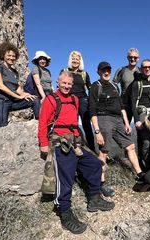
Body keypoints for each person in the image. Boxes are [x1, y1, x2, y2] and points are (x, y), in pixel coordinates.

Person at [38, 71, 114, 235]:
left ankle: (94, 198)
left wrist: (79, 140)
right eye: (63, 83)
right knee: (66, 176)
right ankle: (64, 212)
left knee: (93, 163)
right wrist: (43, 144)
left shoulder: (75, 99)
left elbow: (74, 123)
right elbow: (43, 122)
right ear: (58, 83)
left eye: (69, 84)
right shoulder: (51, 99)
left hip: (74, 140)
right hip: (60, 141)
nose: (66, 86)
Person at [89, 61, 144, 197]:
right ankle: (102, 183)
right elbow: (92, 110)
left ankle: (140, 174)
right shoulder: (96, 86)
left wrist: (126, 122)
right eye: (103, 70)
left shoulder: (114, 85)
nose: (106, 72)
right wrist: (97, 131)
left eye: (108, 70)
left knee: (130, 146)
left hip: (118, 119)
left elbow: (121, 106)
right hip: (103, 119)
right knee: (104, 152)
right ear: (98, 72)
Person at [0, 42, 40, 128]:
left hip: (11, 101)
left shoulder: (14, 72)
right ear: (3, 55)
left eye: (13, 56)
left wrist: (24, 94)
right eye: (9, 55)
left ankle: (40, 124)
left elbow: (16, 88)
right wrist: (18, 97)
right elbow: (0, 86)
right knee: (2, 128)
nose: (12, 58)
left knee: (34, 99)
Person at [130, 59, 150, 169]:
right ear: (141, 69)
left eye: (149, 67)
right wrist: (136, 120)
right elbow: (133, 102)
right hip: (143, 114)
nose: (147, 69)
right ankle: (144, 166)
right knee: (146, 142)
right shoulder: (137, 83)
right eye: (145, 67)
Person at [60, 51, 95, 152]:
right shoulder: (65, 71)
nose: (75, 60)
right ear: (70, 60)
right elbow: (60, 85)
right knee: (72, 124)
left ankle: (92, 149)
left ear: (80, 61)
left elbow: (90, 88)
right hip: (69, 100)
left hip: (83, 99)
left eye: (77, 59)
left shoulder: (84, 74)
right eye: (73, 58)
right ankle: (74, 147)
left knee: (86, 124)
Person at [113, 48, 141, 123]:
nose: (132, 59)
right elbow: (113, 86)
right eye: (130, 57)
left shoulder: (141, 71)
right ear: (127, 58)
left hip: (139, 104)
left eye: (135, 57)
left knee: (141, 129)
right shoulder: (121, 70)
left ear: (138, 59)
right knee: (124, 128)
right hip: (125, 104)